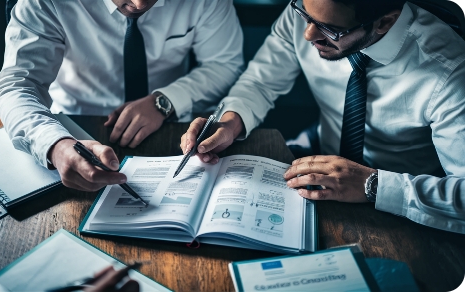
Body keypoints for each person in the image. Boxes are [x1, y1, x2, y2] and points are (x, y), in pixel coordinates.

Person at [180, 0, 465, 233]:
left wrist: (372, 185)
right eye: (305, 15)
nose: (308, 35)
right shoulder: (309, 12)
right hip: (317, 164)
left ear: (385, 22)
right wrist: (231, 121)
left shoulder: (451, 73)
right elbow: (260, 82)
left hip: (407, 204)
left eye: (331, 29)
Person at [0, 0, 244, 191]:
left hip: (172, 127)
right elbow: (17, 85)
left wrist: (165, 101)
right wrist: (54, 145)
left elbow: (224, 64)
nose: (140, 4)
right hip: (75, 126)